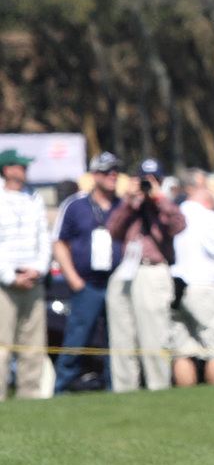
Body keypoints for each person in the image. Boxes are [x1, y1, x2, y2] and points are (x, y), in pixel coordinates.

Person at [105, 158, 186, 391]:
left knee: (153, 335)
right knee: (122, 337)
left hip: (153, 270)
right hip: (127, 270)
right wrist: (129, 201)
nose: (148, 185)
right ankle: (124, 389)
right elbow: (113, 230)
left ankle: (158, 387)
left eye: (153, 180)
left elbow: (179, 226)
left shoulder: (165, 206)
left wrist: (159, 198)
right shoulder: (131, 205)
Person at [51, 151, 125, 393]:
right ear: (95, 175)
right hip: (87, 284)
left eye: (115, 171)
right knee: (77, 338)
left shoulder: (123, 205)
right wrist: (73, 279)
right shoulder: (76, 205)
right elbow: (59, 242)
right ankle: (62, 388)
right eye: (106, 171)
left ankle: (115, 388)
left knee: (117, 339)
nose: (112, 175)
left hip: (117, 283)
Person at [169, 187, 214, 386]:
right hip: (206, 287)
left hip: (176, 286)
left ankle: (187, 401)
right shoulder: (210, 218)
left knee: (181, 350)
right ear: (208, 202)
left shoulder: (174, 215)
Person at [0, 148, 52, 400]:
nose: (26, 171)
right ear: (8, 170)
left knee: (33, 346)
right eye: (21, 166)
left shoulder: (35, 198)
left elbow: (44, 237)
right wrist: (10, 276)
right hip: (6, 284)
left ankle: (29, 397)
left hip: (33, 280)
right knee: (2, 345)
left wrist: (38, 269)